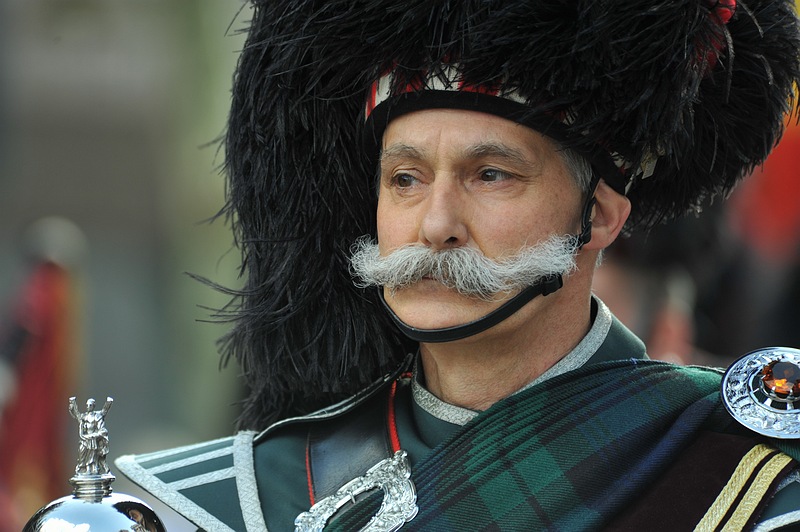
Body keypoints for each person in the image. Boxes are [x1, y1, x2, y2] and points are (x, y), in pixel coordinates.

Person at [117, 1, 800, 530]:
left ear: (597, 216)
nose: (434, 224)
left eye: (491, 174)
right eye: (405, 179)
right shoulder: (237, 495)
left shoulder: (751, 476)